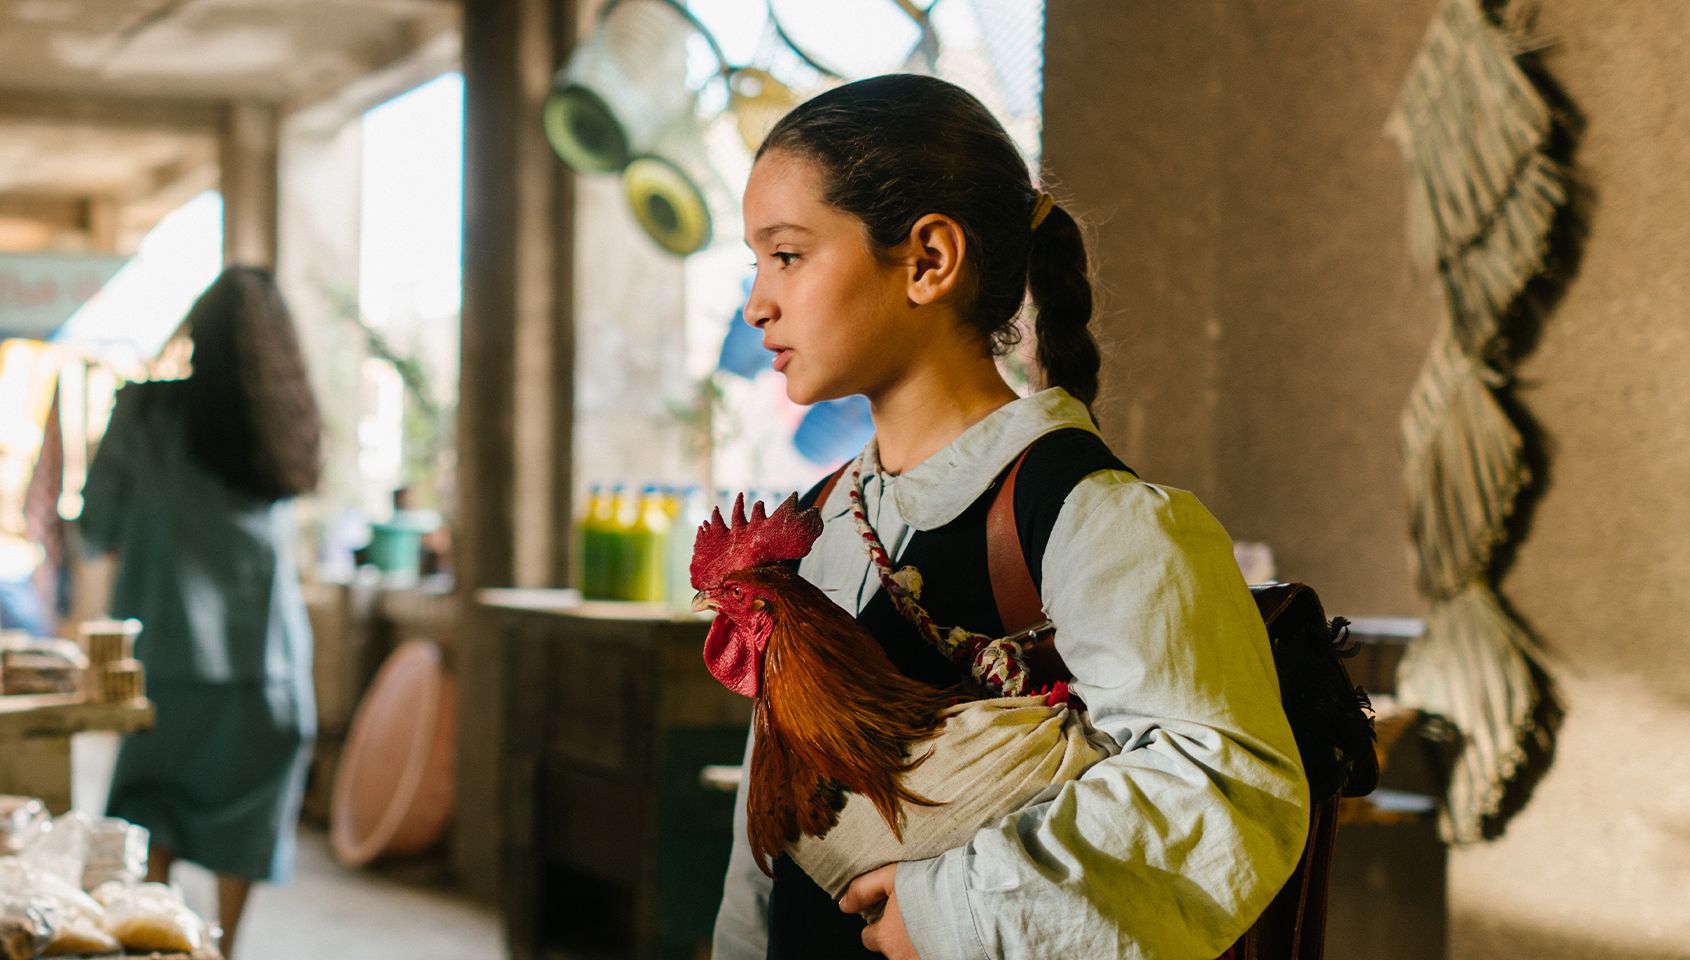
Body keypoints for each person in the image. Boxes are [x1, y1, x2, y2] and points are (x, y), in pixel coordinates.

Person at [713, 74, 1310, 959]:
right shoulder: (816, 523)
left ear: (928, 261)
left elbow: (1223, 790)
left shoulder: (1092, 518)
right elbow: (764, 843)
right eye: (756, 263)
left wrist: (949, 910)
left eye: (788, 256)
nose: (757, 304)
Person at [80, 267, 322, 960]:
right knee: (245, 833)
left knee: (151, 826)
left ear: (199, 333)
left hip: (169, 671)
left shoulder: (146, 413)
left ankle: (159, 947)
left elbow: (98, 526)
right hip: (271, 672)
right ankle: (226, 949)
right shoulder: (285, 423)